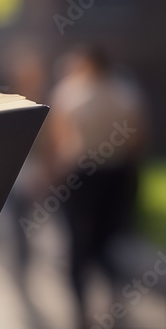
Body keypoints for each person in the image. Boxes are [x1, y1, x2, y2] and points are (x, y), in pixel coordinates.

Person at [46, 44, 149, 327]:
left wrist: (53, 176)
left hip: (81, 175)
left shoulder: (70, 93)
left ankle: (80, 307)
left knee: (77, 243)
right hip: (115, 174)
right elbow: (137, 137)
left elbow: (59, 140)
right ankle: (115, 299)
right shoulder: (126, 93)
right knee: (108, 241)